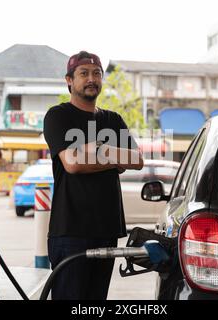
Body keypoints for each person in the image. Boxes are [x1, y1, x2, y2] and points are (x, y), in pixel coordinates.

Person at [43, 51, 144, 300]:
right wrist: (114, 159)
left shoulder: (113, 119)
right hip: (70, 231)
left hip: (107, 229)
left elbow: (137, 160)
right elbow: (73, 164)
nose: (92, 79)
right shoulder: (58, 116)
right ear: (69, 80)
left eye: (96, 73)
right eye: (84, 73)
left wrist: (98, 149)